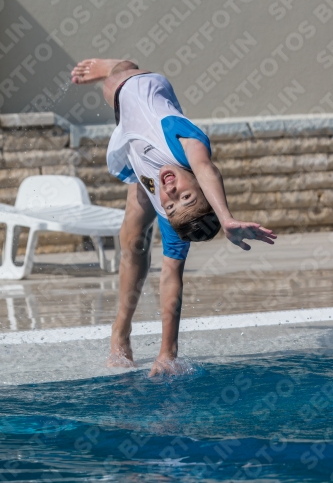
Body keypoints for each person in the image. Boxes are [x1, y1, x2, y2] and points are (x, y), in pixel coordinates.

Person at [71, 59, 276, 376]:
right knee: (114, 80)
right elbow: (207, 169)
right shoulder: (187, 145)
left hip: (138, 151)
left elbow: (171, 279)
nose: (171, 192)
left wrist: (168, 354)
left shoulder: (172, 211)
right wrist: (226, 219)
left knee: (133, 243)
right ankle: (121, 334)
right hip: (143, 89)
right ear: (200, 187)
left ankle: (121, 339)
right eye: (186, 195)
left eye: (170, 204)